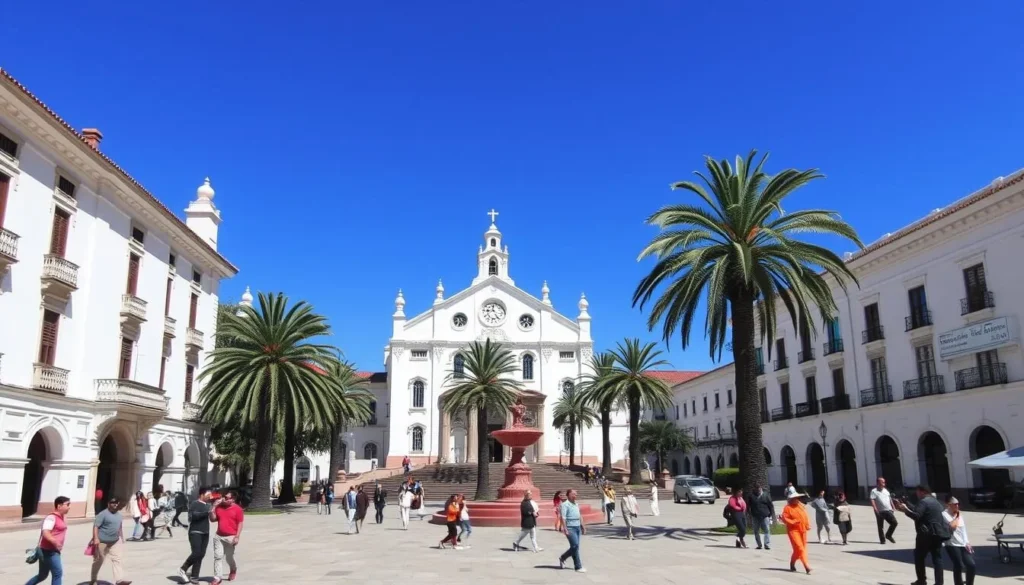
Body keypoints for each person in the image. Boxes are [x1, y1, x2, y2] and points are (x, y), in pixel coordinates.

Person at [894, 485, 949, 585]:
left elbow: (916, 515)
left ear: (922, 492)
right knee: (937, 558)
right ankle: (939, 582)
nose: (917, 494)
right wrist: (907, 504)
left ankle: (921, 580)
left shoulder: (923, 501)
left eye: (918, 492)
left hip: (925, 534)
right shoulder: (936, 502)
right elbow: (919, 510)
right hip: (938, 533)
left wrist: (905, 510)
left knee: (919, 556)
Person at [25, 496, 70, 585]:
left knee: (42, 575)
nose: (69, 507)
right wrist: (55, 541)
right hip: (49, 551)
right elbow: (46, 533)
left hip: (50, 550)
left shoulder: (62, 517)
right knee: (57, 573)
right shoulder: (51, 518)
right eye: (67, 504)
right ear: (59, 506)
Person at [90, 496, 130, 585]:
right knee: (99, 560)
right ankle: (93, 579)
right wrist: (96, 538)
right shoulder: (103, 514)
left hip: (115, 541)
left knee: (117, 559)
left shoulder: (119, 515)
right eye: (112, 503)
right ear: (108, 504)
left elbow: (119, 527)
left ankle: (119, 580)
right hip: (102, 541)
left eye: (116, 503)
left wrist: (121, 537)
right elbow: (96, 526)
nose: (115, 504)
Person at [178, 487, 212, 585]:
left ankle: (194, 576)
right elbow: (194, 516)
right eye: (208, 495)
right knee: (196, 553)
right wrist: (207, 512)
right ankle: (182, 569)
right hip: (195, 531)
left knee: (201, 555)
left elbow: (212, 517)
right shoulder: (194, 504)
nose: (209, 497)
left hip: (205, 532)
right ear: (202, 494)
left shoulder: (208, 505)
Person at [210, 490, 244, 585]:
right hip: (218, 536)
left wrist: (237, 536)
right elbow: (212, 520)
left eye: (227, 497)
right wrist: (213, 507)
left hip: (231, 537)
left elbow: (240, 524)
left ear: (233, 499)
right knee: (218, 557)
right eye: (224, 497)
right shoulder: (219, 507)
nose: (224, 498)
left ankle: (233, 569)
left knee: (229, 557)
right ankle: (217, 578)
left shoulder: (238, 509)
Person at [942, 496, 975, 585]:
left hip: (962, 544)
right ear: (949, 505)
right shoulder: (944, 514)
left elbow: (963, 529)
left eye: (958, 504)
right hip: (951, 544)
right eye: (955, 504)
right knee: (959, 565)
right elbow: (953, 526)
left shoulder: (959, 515)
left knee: (971, 565)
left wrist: (967, 542)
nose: (957, 506)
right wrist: (957, 516)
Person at [781, 487, 811, 574]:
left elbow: (804, 516)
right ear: (790, 499)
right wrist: (793, 522)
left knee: (801, 549)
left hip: (802, 530)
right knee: (800, 548)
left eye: (797, 498)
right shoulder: (787, 508)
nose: (797, 499)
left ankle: (792, 563)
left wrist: (807, 525)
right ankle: (806, 566)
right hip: (793, 531)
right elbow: (784, 518)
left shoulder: (800, 505)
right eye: (795, 498)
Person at [558, 489, 587, 573]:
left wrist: (583, 526)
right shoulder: (564, 505)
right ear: (568, 495)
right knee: (575, 546)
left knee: (575, 547)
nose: (575, 495)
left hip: (577, 526)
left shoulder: (576, 504)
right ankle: (578, 566)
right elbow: (563, 517)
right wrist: (565, 528)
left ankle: (563, 558)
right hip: (570, 527)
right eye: (573, 494)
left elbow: (579, 515)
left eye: (576, 494)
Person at [870, 476, 898, 544]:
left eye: (884, 482)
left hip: (888, 510)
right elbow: (872, 500)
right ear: (878, 482)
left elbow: (890, 499)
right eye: (882, 482)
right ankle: (882, 540)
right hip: (880, 511)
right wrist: (875, 509)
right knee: (880, 526)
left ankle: (888, 535)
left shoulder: (886, 490)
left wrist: (893, 506)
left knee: (894, 523)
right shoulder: (874, 491)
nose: (884, 483)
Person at [748, 485, 776, 550]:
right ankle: (759, 545)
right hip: (755, 516)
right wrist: (749, 514)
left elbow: (770, 505)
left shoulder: (766, 495)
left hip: (765, 515)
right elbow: (748, 506)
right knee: (756, 531)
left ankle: (767, 544)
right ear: (754, 489)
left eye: (759, 489)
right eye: (756, 489)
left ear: (761, 489)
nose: (758, 490)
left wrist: (771, 514)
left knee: (767, 530)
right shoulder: (751, 496)